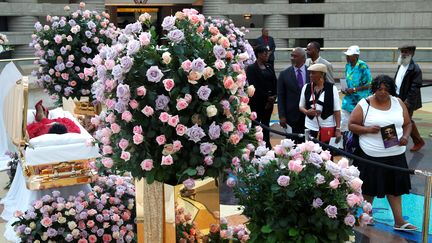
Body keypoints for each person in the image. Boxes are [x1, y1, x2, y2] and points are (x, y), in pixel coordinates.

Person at [349, 75, 417, 231]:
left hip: (395, 154)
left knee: (395, 188)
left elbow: (407, 124)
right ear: (374, 89)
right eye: (379, 89)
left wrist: (406, 137)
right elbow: (352, 124)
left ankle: (399, 221)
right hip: (371, 155)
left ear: (392, 90)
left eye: (386, 89)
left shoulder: (398, 102)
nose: (383, 92)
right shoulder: (364, 104)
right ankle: (367, 214)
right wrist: (367, 130)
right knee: (369, 188)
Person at [299, 63, 341, 143]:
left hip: (327, 126)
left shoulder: (332, 89)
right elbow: (301, 106)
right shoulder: (306, 87)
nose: (310, 75)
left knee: (326, 153)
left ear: (322, 74)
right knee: (309, 151)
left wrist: (338, 129)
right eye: (310, 73)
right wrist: (307, 112)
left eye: (313, 73)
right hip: (309, 126)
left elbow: (337, 110)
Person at [394, 45, 425, 152]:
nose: (403, 53)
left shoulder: (415, 69)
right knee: (400, 120)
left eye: (406, 52)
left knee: (407, 121)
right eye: (402, 51)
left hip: (407, 101)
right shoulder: (401, 64)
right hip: (397, 97)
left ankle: (418, 141)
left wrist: (408, 102)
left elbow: (415, 87)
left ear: (412, 53)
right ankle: (393, 140)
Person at [246, 45, 277, 148]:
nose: (267, 55)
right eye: (265, 53)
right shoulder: (251, 68)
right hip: (257, 102)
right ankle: (254, 146)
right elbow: (254, 85)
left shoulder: (269, 67)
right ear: (259, 54)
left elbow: (274, 82)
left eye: (267, 53)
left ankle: (267, 145)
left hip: (270, 102)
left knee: (266, 124)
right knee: (256, 125)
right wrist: (267, 97)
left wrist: (273, 97)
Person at [278, 47, 310, 143]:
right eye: (291, 56)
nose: (292, 58)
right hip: (291, 115)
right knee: (292, 144)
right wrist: (282, 116)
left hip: (308, 115)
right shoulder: (284, 74)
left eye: (295, 56)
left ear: (303, 58)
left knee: (308, 144)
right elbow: (281, 96)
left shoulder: (311, 73)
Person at [341, 45, 372, 133]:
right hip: (349, 98)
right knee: (345, 121)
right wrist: (345, 89)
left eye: (350, 55)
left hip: (360, 99)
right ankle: (346, 139)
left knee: (359, 122)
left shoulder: (362, 66)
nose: (347, 57)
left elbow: (370, 84)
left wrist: (354, 89)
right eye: (347, 55)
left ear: (356, 56)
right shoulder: (347, 66)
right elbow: (348, 80)